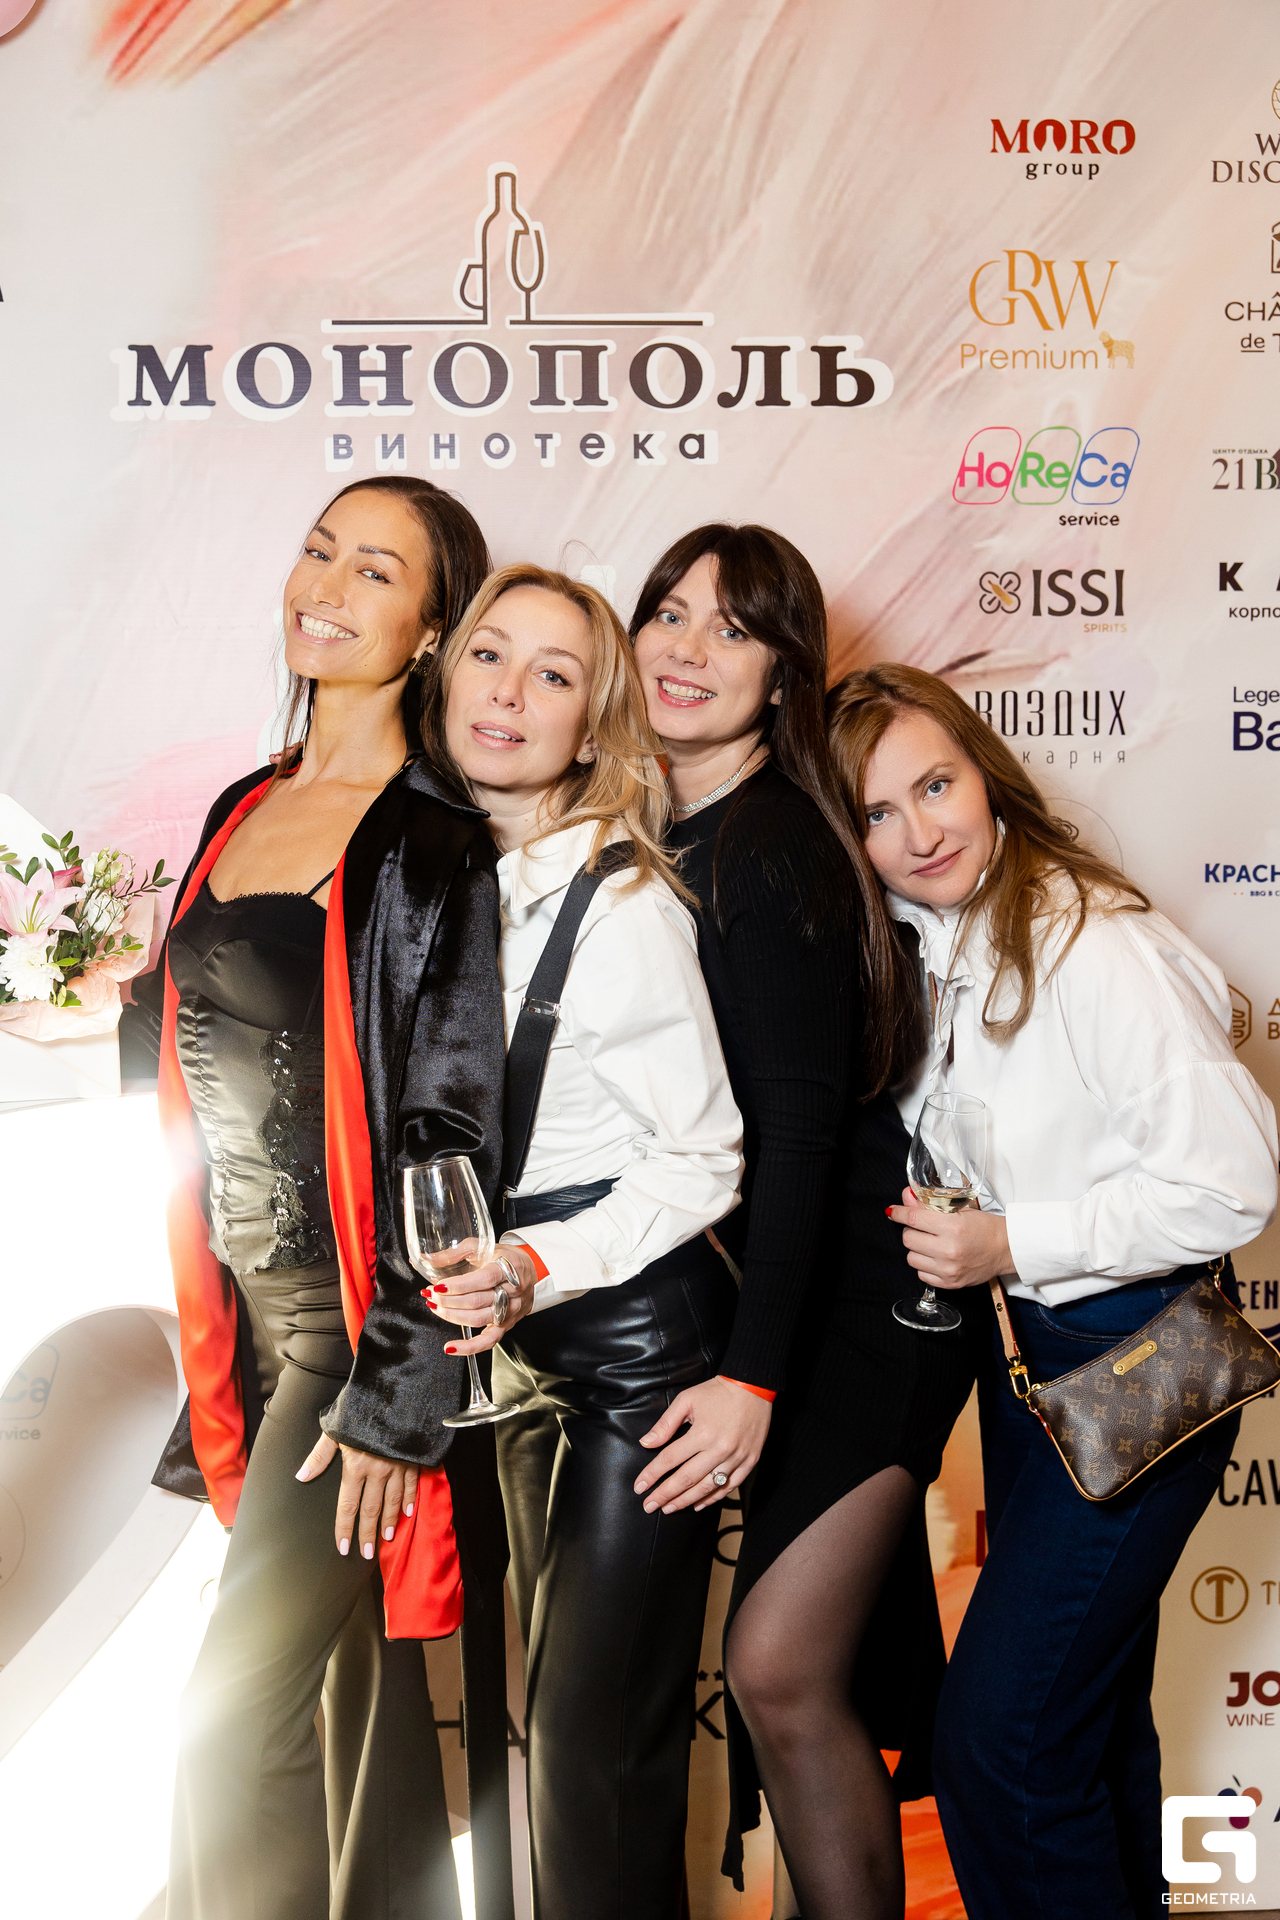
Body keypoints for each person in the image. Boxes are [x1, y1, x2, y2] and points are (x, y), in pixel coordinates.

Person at [830, 661, 1279, 1920]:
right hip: (1033, 1366)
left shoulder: (1093, 946)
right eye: (876, 812)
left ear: (985, 775)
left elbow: (1232, 1185)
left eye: (935, 785)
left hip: (1136, 1360)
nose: (919, 832)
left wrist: (1010, 1241)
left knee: (1000, 1748)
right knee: (1088, 1730)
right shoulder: (934, 945)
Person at [143, 475, 513, 1920]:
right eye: (318, 551)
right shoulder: (247, 802)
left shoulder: (429, 841)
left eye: (375, 571)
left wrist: (398, 1390)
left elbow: (449, 1132)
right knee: (350, 1720)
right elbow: (208, 1015)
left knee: (233, 1720)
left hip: (346, 1338)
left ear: (428, 631)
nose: (327, 586)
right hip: (241, 1309)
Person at [627, 525, 979, 1920]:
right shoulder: (669, 829)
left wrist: (752, 1376)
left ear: (782, 674)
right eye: (668, 613)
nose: (686, 649)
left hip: (865, 1306)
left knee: (778, 1670)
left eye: (732, 628)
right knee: (803, 1683)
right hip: (792, 1296)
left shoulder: (767, 843)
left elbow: (806, 1138)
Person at [418, 562, 743, 1920]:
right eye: (490, 654)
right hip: (520, 1347)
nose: (508, 692)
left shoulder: (619, 906)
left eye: (553, 674)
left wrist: (537, 1266)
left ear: (592, 724)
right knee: (553, 1733)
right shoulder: (436, 882)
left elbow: (704, 1152)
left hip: (632, 1352)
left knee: (589, 1749)